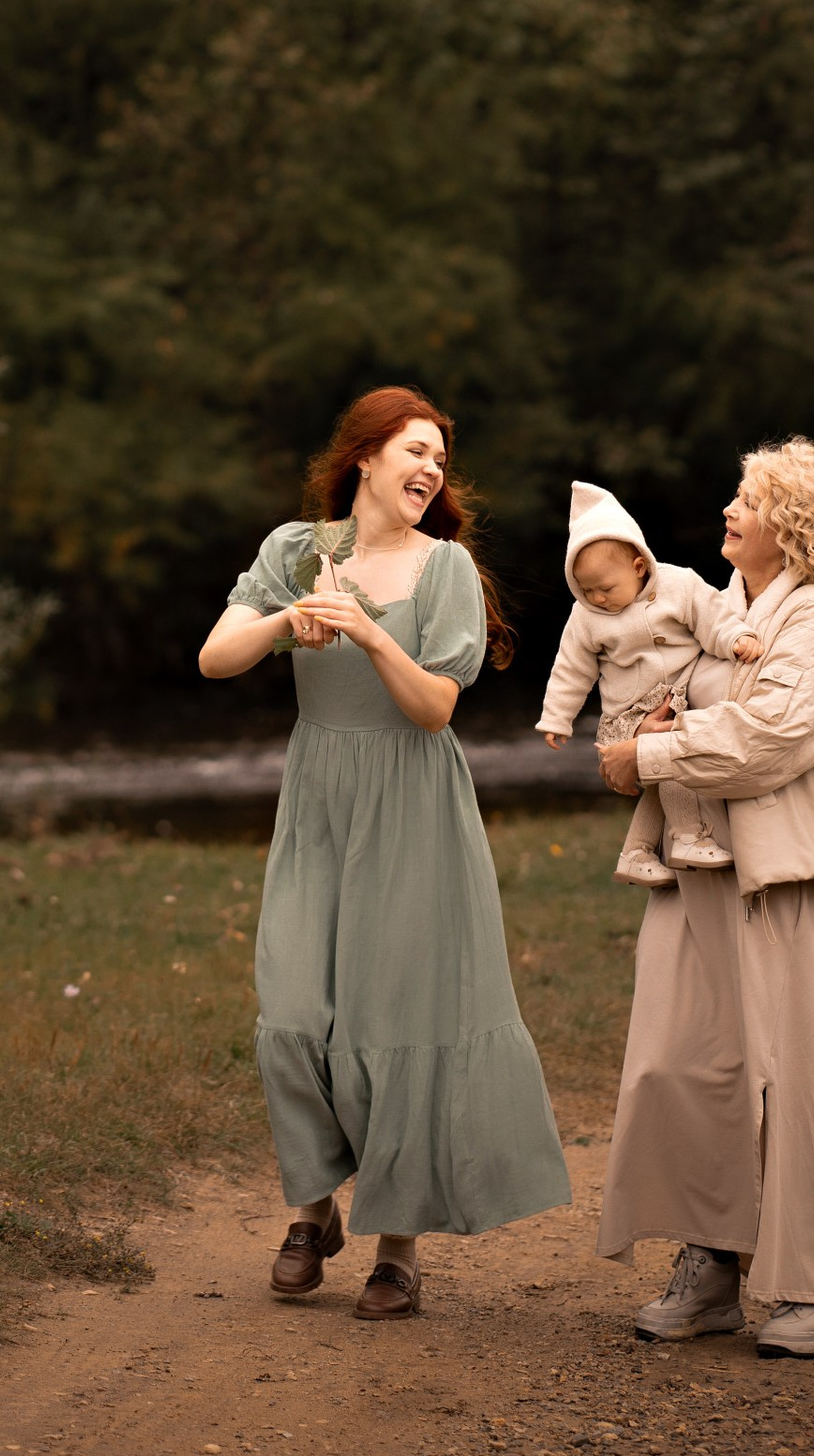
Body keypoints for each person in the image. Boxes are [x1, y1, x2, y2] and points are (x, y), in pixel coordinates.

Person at [199, 387, 572, 1319]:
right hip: (318, 799)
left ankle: (398, 1247)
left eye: (440, 460)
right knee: (291, 1010)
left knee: (394, 1021)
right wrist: (290, 620)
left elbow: (436, 707)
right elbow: (215, 657)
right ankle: (312, 1209)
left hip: (411, 806)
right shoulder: (297, 550)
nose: (430, 471)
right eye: (416, 451)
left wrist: (367, 633)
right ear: (365, 457)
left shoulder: (444, 568)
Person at [592, 437, 814, 1360]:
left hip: (785, 874)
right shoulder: (712, 608)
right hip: (694, 864)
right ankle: (712, 1265)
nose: (728, 510)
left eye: (746, 500)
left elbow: (771, 737)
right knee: (680, 1064)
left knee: (796, 1078)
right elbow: (640, 696)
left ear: (791, 529)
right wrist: (641, 732)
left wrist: (652, 751)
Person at [534, 478, 765, 879]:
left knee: (662, 773)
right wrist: (556, 717)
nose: (597, 599)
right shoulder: (586, 617)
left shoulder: (680, 585)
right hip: (627, 714)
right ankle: (689, 836)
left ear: (639, 566)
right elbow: (571, 669)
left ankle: (636, 853)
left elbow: (712, 617)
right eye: (585, 591)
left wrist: (736, 638)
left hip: (675, 699)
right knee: (671, 763)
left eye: (605, 589)